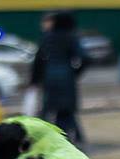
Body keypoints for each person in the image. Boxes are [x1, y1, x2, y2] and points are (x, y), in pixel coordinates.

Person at [30, 11, 86, 145]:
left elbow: (38, 60)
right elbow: (85, 57)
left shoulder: (46, 37)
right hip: (66, 77)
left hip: (49, 78)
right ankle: (69, 139)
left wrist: (34, 80)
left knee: (47, 109)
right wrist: (75, 72)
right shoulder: (71, 37)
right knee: (66, 110)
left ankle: (44, 137)